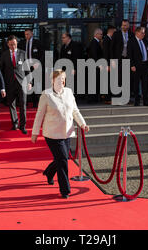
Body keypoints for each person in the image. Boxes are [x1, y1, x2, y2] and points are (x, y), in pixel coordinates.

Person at [31, 70, 90, 199]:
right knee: (63, 159)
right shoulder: (46, 95)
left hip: (67, 132)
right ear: (52, 81)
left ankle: (49, 172)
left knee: (61, 158)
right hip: (52, 134)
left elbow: (75, 111)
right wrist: (35, 133)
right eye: (58, 79)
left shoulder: (69, 92)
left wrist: (82, 124)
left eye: (63, 78)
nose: (61, 81)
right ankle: (65, 189)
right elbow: (39, 115)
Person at [0, 35, 31, 135]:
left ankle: (23, 126)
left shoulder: (23, 53)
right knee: (11, 104)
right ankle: (15, 123)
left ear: (17, 43)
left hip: (22, 83)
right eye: (11, 44)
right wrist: (2, 85)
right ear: (8, 44)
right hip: (9, 83)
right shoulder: (4, 55)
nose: (13, 46)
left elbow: (27, 69)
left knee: (23, 105)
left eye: (14, 44)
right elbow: (1, 70)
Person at [127, 26, 148, 106]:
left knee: (145, 84)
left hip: (145, 65)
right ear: (137, 33)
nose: (144, 34)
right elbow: (129, 54)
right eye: (142, 32)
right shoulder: (131, 41)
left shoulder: (144, 41)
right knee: (136, 84)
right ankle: (137, 101)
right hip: (136, 66)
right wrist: (132, 65)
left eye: (144, 33)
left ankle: (146, 101)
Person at [19, 28, 44, 107]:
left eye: (28, 34)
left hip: (35, 67)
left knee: (36, 84)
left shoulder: (38, 42)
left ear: (32, 34)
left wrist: (38, 63)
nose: (26, 36)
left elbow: (42, 54)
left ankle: (36, 103)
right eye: (25, 34)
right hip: (25, 66)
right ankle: (25, 102)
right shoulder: (22, 43)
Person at [111, 19, 133, 100]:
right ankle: (118, 96)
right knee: (118, 78)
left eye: (126, 25)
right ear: (121, 26)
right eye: (123, 25)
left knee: (127, 79)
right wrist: (112, 60)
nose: (124, 27)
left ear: (128, 26)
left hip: (127, 59)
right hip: (118, 59)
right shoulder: (116, 34)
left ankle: (127, 96)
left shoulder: (131, 34)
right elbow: (112, 48)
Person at [87, 28, 104, 103]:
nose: (101, 36)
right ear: (96, 34)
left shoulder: (95, 42)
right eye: (100, 34)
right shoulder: (94, 43)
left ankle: (94, 98)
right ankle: (92, 99)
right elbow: (94, 55)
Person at [102, 26, 116, 104]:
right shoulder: (106, 40)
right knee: (108, 81)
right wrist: (108, 65)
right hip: (108, 64)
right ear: (111, 32)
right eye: (114, 32)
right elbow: (106, 53)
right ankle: (107, 98)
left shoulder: (109, 39)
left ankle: (108, 97)